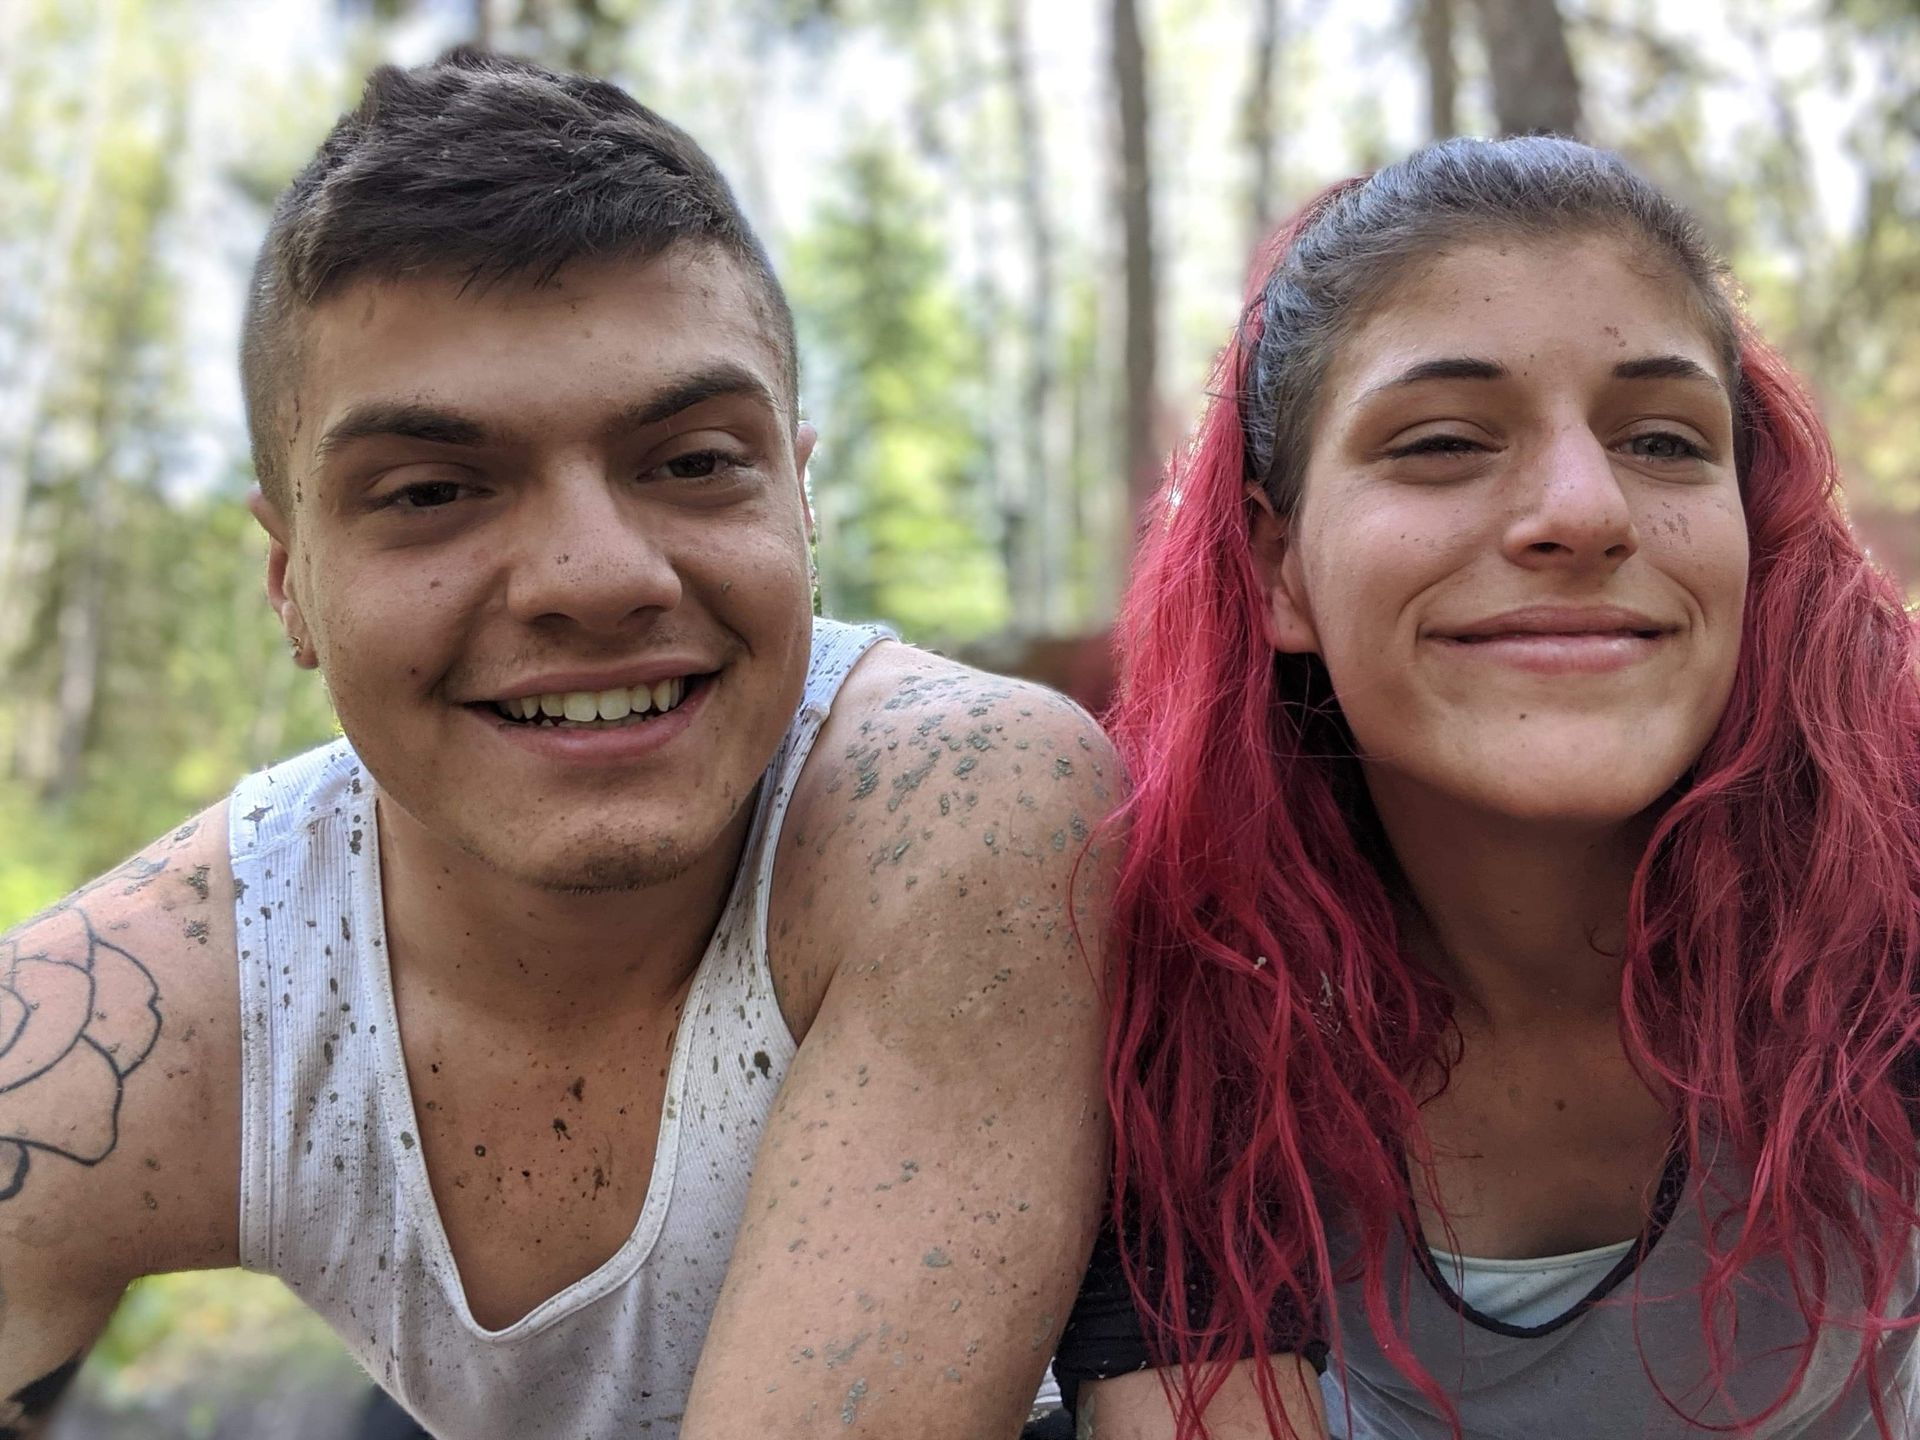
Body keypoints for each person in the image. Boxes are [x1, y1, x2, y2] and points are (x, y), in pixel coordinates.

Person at [0, 49, 1117, 1439]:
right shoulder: (124, 1020)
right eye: (431, 491)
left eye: (695, 461)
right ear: (288, 580)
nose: (595, 575)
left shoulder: (958, 798)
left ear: (803, 502)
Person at [1052, 136, 1920, 1438]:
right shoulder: (1158, 993)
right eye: (1448, 440)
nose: (1584, 508)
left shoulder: (1894, 928)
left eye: (1667, 441)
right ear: (1282, 570)